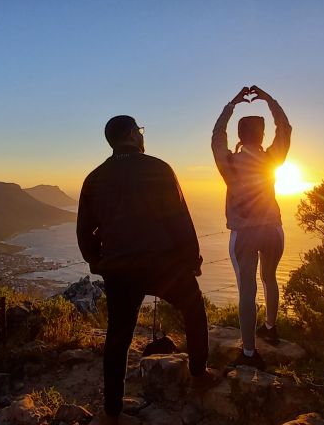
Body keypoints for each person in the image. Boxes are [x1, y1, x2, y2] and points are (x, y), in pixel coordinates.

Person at [78, 115, 221, 424]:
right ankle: (198, 374)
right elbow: (179, 218)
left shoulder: (95, 178)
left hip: (120, 270)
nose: (141, 136)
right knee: (194, 311)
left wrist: (97, 262)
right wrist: (192, 259)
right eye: (139, 131)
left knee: (118, 337)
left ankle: (112, 413)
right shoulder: (159, 168)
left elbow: (84, 231)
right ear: (132, 134)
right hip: (164, 266)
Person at [211, 85, 292, 370]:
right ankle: (270, 328)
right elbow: (285, 127)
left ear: (239, 136)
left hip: (244, 234)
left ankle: (248, 354)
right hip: (274, 229)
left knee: (247, 289)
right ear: (262, 135)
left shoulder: (229, 162)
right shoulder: (272, 159)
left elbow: (216, 136)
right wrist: (269, 99)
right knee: (270, 278)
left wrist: (232, 104)